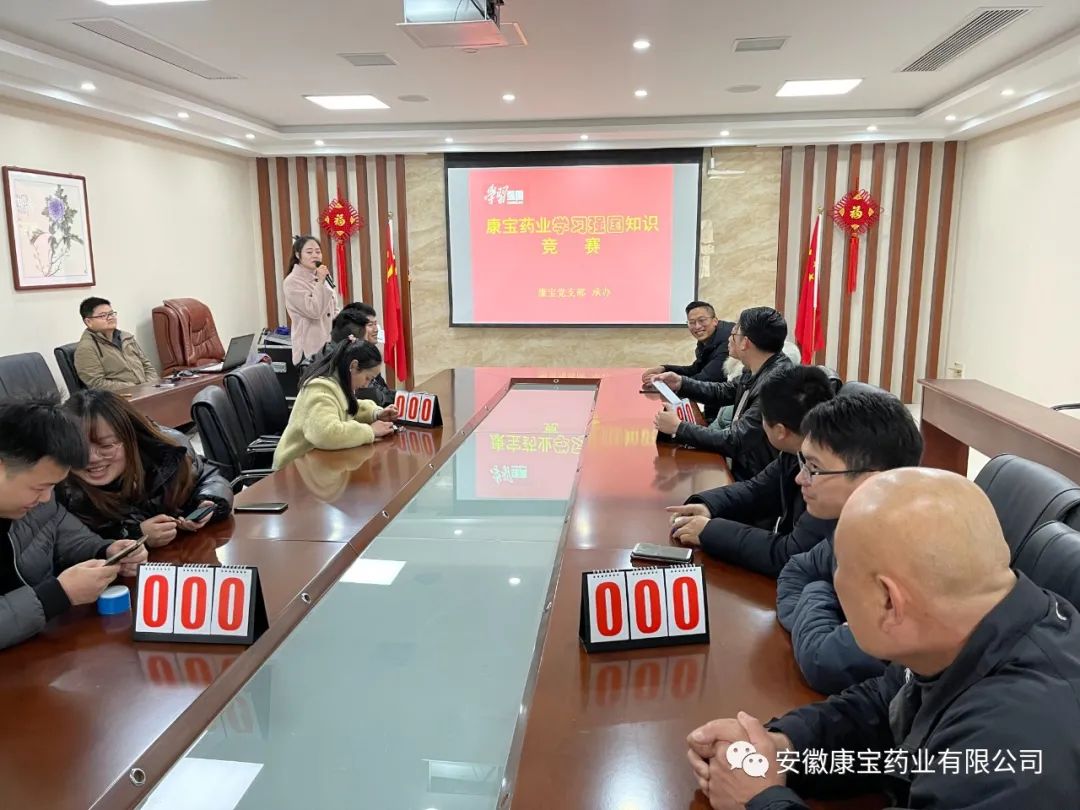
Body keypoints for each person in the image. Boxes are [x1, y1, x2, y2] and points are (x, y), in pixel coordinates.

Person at [687, 469, 1080, 809]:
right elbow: (886, 707)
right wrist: (781, 747)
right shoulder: (970, 626)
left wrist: (761, 799)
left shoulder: (1012, 749)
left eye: (839, 576)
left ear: (890, 602)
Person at [776, 391, 923, 694]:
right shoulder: (857, 526)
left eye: (814, 468)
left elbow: (824, 660)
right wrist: (823, 613)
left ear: (872, 479)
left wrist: (817, 591)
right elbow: (796, 570)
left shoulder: (908, 558)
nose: (800, 479)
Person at [0, 398, 147, 650]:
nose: (46, 498)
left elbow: (68, 536)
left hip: (40, 647)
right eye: (39, 487)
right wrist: (58, 595)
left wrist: (107, 551)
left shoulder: (38, 502)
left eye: (53, 487)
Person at [666, 365, 836, 577]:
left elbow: (789, 554)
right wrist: (708, 506)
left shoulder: (830, 477)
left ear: (780, 431)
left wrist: (710, 531)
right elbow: (757, 490)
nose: (802, 478)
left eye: (762, 418)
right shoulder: (798, 449)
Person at [58, 389, 234, 546]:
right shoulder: (57, 489)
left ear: (131, 439)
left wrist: (207, 502)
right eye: (77, 448)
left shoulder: (169, 451)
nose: (91, 458)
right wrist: (136, 534)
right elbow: (72, 548)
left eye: (106, 446)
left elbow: (209, 477)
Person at [653, 306, 791, 481]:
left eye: (733, 334)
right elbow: (724, 391)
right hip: (744, 467)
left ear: (745, 343)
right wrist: (681, 383)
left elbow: (736, 440)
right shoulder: (758, 366)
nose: (728, 338)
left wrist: (679, 428)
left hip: (757, 479)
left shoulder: (774, 384)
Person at [272, 338, 399, 470]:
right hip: (292, 470)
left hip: (315, 466)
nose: (366, 384)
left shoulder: (338, 383)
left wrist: (376, 414)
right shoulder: (320, 389)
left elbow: (347, 409)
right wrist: (370, 431)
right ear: (353, 366)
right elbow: (326, 433)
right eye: (367, 378)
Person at [642, 301, 735, 421]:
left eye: (702, 320)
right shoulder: (709, 338)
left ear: (715, 321)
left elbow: (707, 378)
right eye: (692, 322)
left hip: (727, 418)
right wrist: (664, 369)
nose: (697, 326)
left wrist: (665, 383)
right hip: (716, 408)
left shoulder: (727, 341)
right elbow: (696, 369)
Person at [73, 297, 159, 391]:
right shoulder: (86, 348)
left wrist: (150, 386)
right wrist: (135, 388)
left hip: (146, 391)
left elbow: (147, 365)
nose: (110, 318)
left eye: (111, 313)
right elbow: (96, 383)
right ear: (88, 322)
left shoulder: (126, 337)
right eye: (103, 315)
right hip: (121, 396)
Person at [283, 235, 340, 367]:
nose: (315, 255)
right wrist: (320, 282)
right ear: (298, 255)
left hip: (330, 346)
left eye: (318, 252)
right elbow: (314, 311)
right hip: (310, 350)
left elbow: (334, 309)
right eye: (309, 252)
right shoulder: (292, 282)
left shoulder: (322, 276)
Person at [324, 303, 394, 407]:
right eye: (370, 325)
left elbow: (383, 391)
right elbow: (372, 397)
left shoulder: (362, 354)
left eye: (376, 324)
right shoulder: (335, 365)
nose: (376, 330)